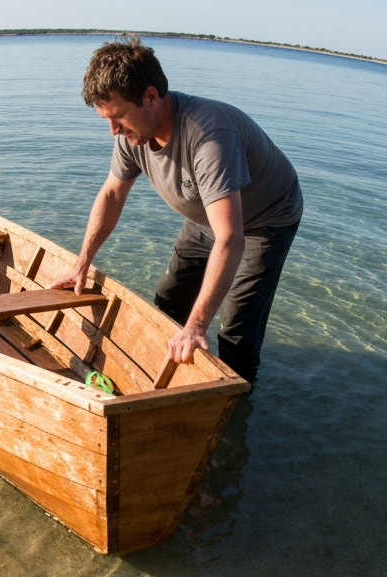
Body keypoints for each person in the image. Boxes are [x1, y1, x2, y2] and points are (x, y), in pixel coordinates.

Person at [50, 37, 303, 389]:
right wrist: (82, 262)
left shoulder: (210, 136)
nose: (114, 131)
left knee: (236, 332)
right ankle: (170, 378)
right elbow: (111, 194)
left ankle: (233, 409)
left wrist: (198, 325)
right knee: (168, 299)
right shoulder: (131, 136)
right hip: (207, 215)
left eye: (119, 117)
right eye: (107, 120)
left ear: (151, 97)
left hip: (265, 220)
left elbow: (230, 237)